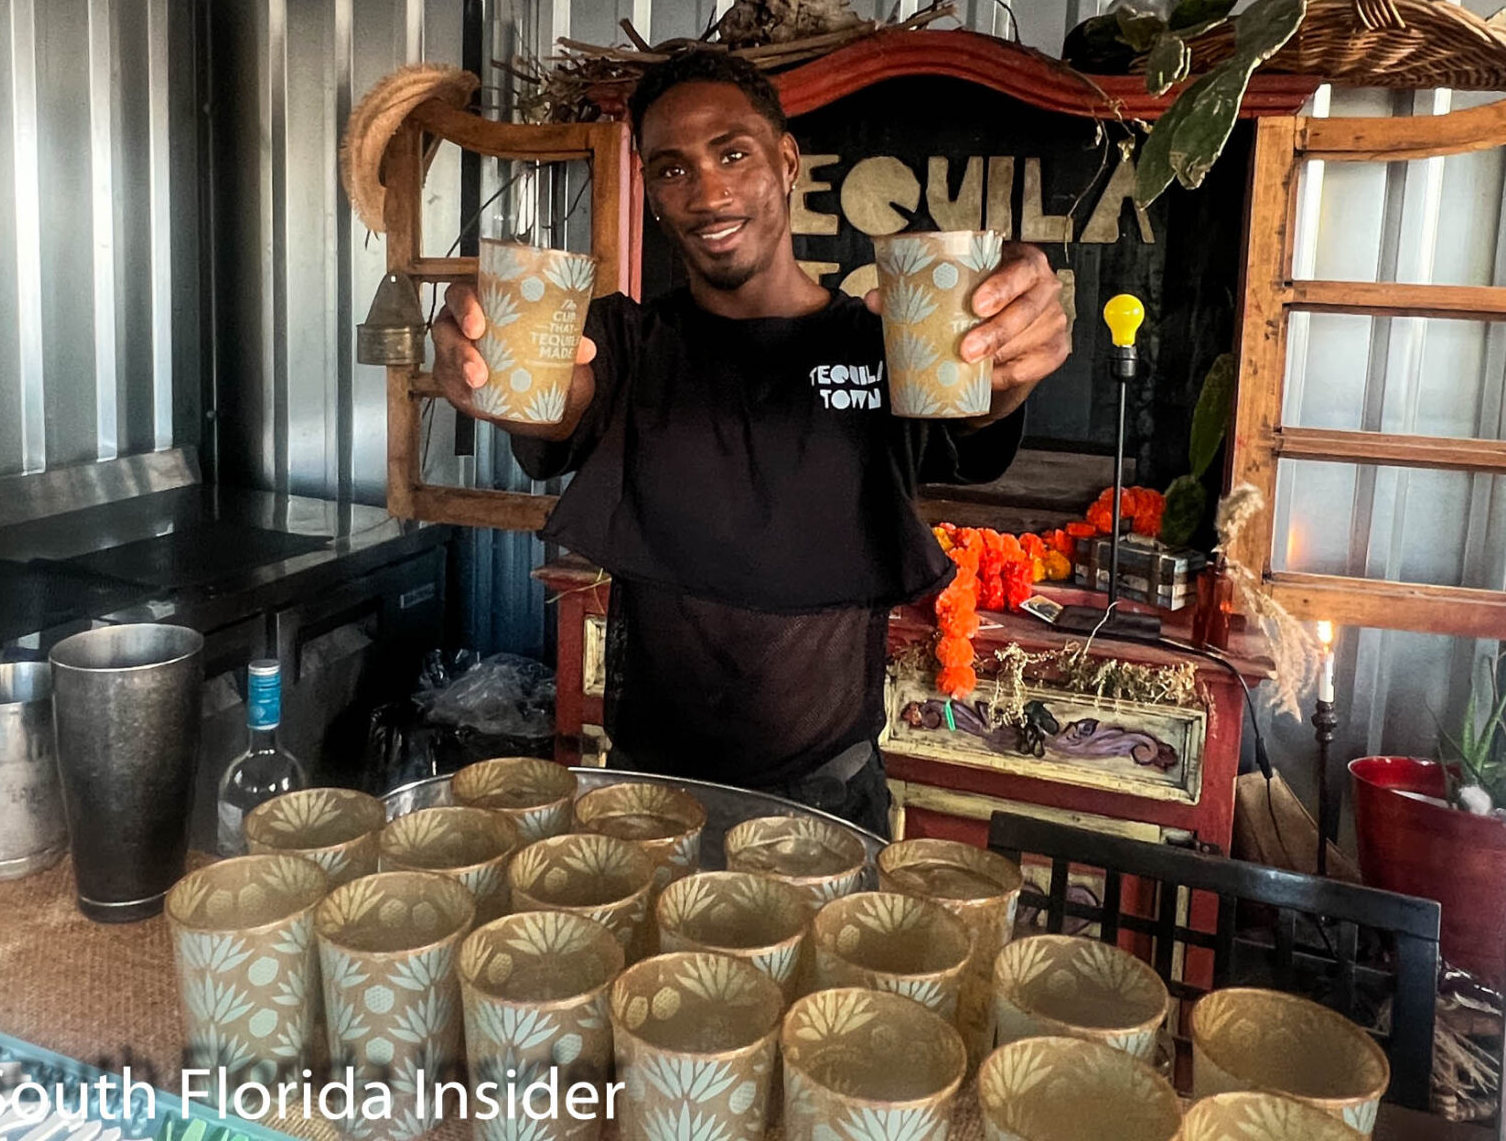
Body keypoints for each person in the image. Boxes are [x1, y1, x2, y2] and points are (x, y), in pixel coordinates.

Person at [430, 52, 1071, 836]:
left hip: (830, 805)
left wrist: (1007, 356)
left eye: (732, 153)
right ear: (651, 192)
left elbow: (975, 408)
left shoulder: (886, 347)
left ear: (787, 161)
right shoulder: (629, 341)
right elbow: (564, 391)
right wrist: (493, 355)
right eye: (672, 170)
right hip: (646, 803)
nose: (707, 193)